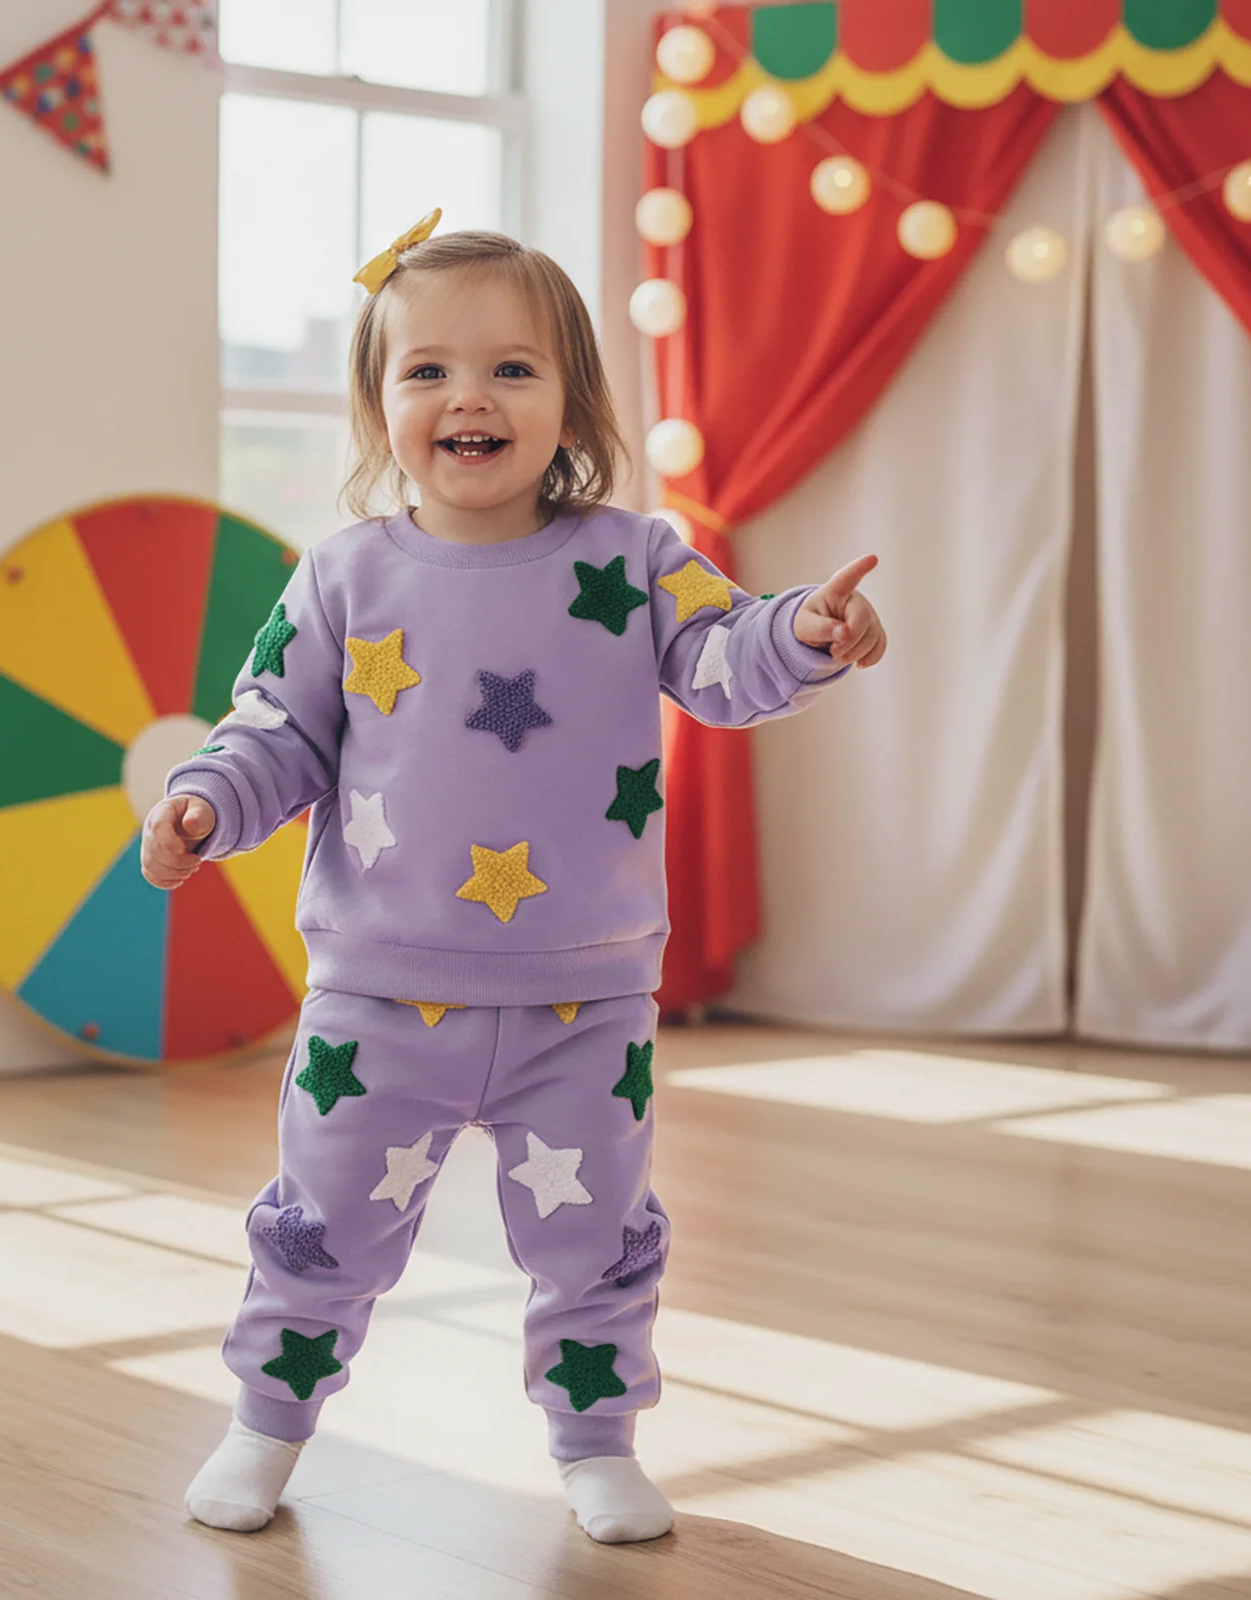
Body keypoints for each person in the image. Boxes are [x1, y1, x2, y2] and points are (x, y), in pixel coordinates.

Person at [140, 212, 886, 1543]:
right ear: (379, 404)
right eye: (427, 370)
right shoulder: (342, 576)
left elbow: (727, 660)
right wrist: (206, 802)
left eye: (511, 369)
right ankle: (266, 1422)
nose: (468, 397)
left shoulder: (635, 559)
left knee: (597, 1241)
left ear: (572, 402)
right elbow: (277, 731)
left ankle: (596, 1439)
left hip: (583, 1002)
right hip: (377, 1000)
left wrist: (808, 633)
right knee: (321, 1228)